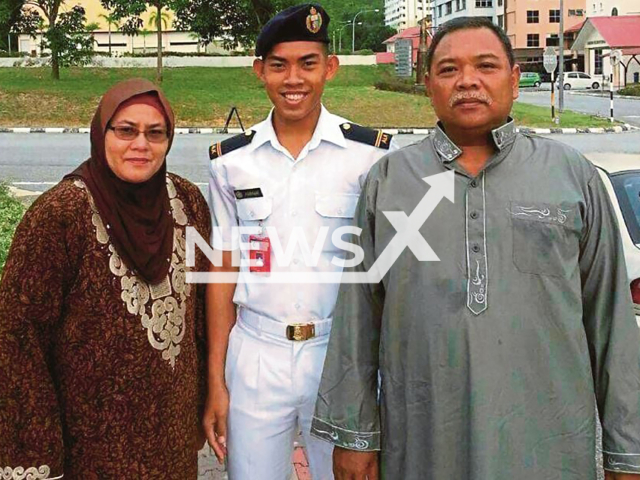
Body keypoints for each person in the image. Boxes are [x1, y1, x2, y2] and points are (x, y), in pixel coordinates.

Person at [311, 17, 640, 480]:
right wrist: (354, 435)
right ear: (428, 84)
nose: (467, 81)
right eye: (448, 70)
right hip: (422, 445)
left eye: (485, 65)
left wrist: (628, 453)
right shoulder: (390, 182)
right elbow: (357, 317)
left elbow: (612, 323)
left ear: (513, 78)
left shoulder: (572, 177)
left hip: (549, 449)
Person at [203, 4, 396, 480]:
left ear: (330, 67)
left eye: (308, 63)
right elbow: (222, 273)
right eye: (279, 64)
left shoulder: (368, 157)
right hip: (255, 353)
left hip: (340, 353)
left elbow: (388, 275)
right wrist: (216, 380)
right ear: (259, 71)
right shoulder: (231, 163)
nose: (294, 78)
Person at [0, 79, 211, 479]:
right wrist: (38, 459)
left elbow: (200, 317)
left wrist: (204, 400)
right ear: (101, 134)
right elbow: (17, 341)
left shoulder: (188, 203)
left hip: (173, 440)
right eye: (126, 130)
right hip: (89, 448)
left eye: (156, 133)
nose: (141, 145)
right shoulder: (60, 215)